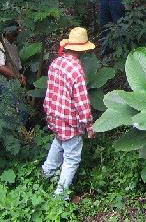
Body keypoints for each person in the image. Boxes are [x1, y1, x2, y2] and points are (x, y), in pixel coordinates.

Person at [42, 27, 96, 197]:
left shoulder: (56, 63)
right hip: (69, 120)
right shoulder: (76, 70)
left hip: (53, 115)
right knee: (71, 159)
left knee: (58, 142)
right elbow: (82, 103)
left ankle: (46, 173)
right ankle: (59, 196)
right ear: (83, 49)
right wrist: (89, 125)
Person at [0, 21, 28, 124]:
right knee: (10, 113)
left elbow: (18, 67)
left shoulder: (14, 47)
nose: (17, 35)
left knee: (21, 111)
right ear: (7, 32)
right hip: (3, 84)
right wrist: (17, 76)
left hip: (14, 84)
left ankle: (22, 134)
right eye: (14, 33)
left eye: (17, 33)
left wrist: (21, 76)